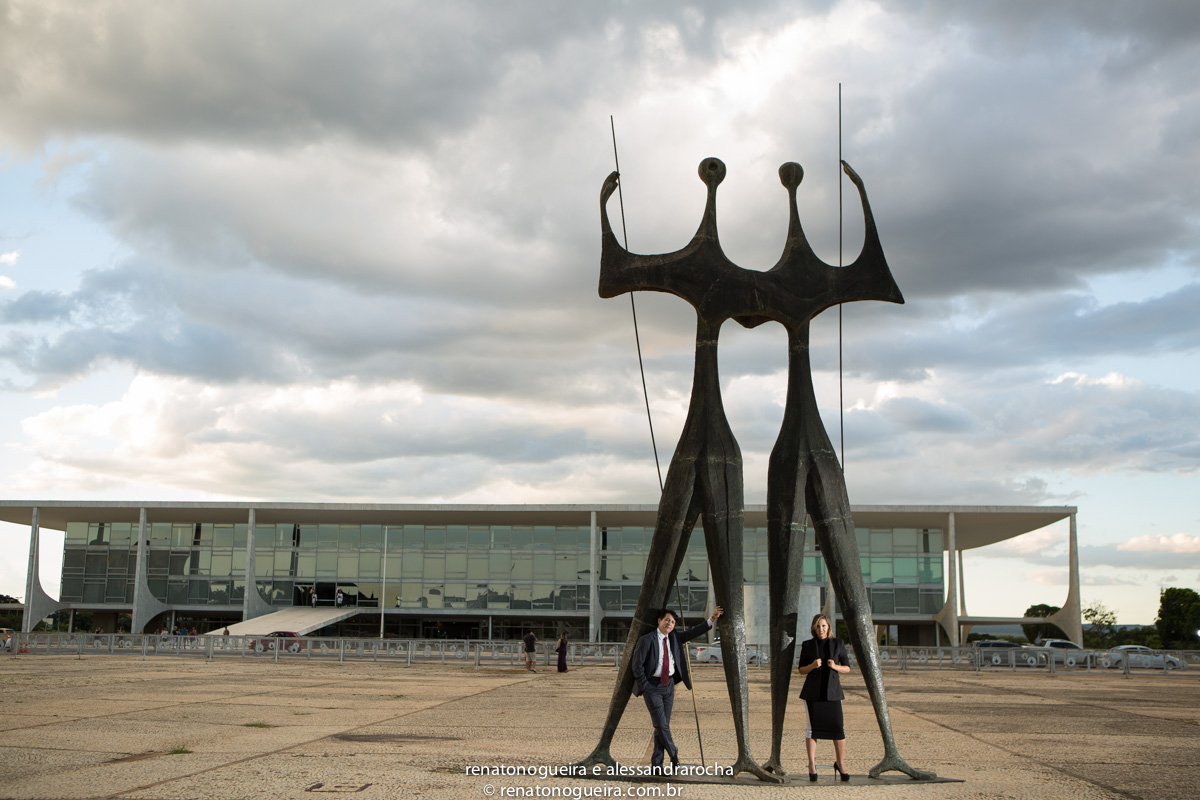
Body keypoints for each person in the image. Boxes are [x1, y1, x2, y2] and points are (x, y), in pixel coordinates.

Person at [632, 606, 723, 771]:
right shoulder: (646, 640)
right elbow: (637, 666)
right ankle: (673, 753)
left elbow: (693, 633)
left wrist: (712, 618)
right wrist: (645, 686)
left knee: (662, 726)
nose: (669, 623)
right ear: (659, 621)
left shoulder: (673, 637)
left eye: (672, 622)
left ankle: (657, 766)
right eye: (667, 619)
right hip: (652, 687)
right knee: (661, 724)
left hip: (669, 687)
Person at [797, 614, 851, 782]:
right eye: (818, 626)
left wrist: (835, 666)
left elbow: (848, 668)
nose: (821, 629)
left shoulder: (838, 644)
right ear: (814, 628)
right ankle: (812, 766)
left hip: (833, 693)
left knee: (838, 729)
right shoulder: (808, 645)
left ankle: (840, 764)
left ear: (828, 627)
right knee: (812, 730)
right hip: (812, 694)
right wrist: (812, 666)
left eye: (823, 626)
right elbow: (800, 669)